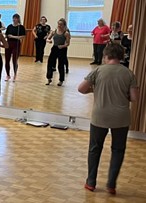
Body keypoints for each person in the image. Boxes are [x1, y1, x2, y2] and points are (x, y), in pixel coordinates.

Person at [78, 43, 139, 195]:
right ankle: (111, 185)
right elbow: (134, 98)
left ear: (106, 56)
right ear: (121, 56)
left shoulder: (98, 70)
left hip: (100, 116)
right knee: (118, 150)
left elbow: (81, 89)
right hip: (121, 118)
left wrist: (95, 90)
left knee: (95, 149)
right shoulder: (129, 73)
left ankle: (91, 182)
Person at [46, 18, 71, 87]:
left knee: (61, 65)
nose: (59, 25)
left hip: (62, 50)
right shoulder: (54, 31)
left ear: (64, 25)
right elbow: (48, 38)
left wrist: (62, 46)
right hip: (55, 48)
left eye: (61, 24)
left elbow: (68, 44)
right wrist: (49, 41)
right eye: (58, 24)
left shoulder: (66, 33)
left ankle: (61, 80)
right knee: (50, 63)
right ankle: (49, 78)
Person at [4, 14, 26, 82]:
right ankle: (8, 75)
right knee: (7, 60)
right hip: (8, 44)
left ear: (18, 19)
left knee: (14, 60)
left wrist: (13, 36)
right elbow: (6, 35)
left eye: (16, 18)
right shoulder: (9, 26)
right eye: (13, 18)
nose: (14, 19)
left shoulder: (21, 27)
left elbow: (23, 36)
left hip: (16, 44)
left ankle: (15, 74)